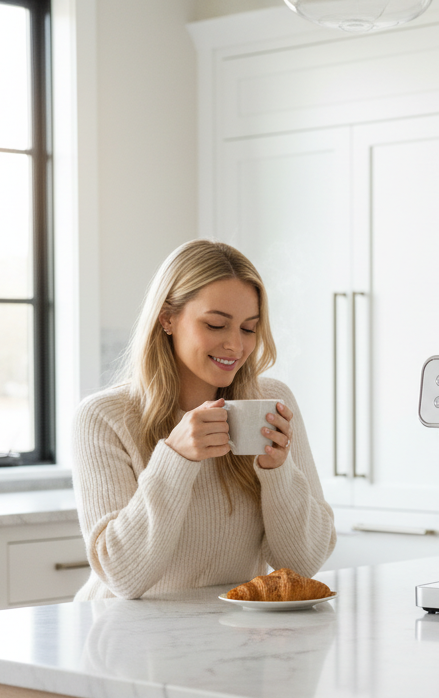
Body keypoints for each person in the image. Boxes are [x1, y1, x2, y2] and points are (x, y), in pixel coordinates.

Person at [71, 240, 335, 600]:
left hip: (226, 638)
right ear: (167, 318)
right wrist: (175, 459)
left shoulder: (270, 402)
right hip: (123, 639)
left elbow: (305, 563)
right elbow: (122, 577)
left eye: (248, 328)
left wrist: (278, 472)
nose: (236, 346)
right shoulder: (104, 418)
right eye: (215, 325)